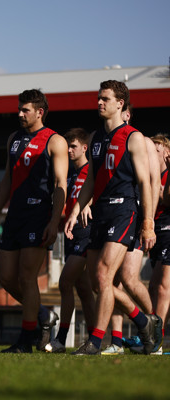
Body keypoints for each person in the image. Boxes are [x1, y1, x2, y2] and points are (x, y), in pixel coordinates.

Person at [64, 80, 161, 355]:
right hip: (100, 213)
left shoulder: (133, 137)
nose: (99, 103)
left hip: (124, 211)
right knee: (98, 283)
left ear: (120, 104)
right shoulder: (95, 139)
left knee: (105, 275)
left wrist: (148, 223)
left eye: (105, 98)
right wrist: (75, 211)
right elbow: (92, 180)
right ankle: (144, 321)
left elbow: (145, 183)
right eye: (98, 98)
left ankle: (95, 341)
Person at [0, 89, 68, 353]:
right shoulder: (14, 139)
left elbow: (60, 184)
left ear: (39, 112)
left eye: (25, 110)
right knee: (7, 279)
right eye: (19, 109)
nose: (20, 114)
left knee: (27, 277)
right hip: (14, 216)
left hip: (38, 215)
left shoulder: (55, 141)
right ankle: (43, 315)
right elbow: (8, 178)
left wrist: (54, 221)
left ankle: (26, 339)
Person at [103, 104, 158, 355]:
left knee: (128, 279)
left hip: (133, 215)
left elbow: (152, 183)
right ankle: (116, 341)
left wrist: (149, 222)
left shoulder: (140, 140)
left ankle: (154, 329)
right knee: (110, 280)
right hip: (116, 212)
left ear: (126, 113)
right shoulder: (108, 139)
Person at [45, 128, 96, 353]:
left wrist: (87, 204)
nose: (69, 150)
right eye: (68, 146)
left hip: (86, 232)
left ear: (85, 148)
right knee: (83, 289)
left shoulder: (90, 171)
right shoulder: (68, 173)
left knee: (65, 282)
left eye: (73, 146)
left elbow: (98, 188)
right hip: (70, 231)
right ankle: (96, 341)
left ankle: (60, 339)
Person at [142, 133, 170, 354]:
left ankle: (156, 340)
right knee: (152, 286)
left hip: (168, 228)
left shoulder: (167, 173)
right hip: (157, 229)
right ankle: (152, 336)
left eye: (156, 148)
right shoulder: (151, 174)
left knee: (162, 287)